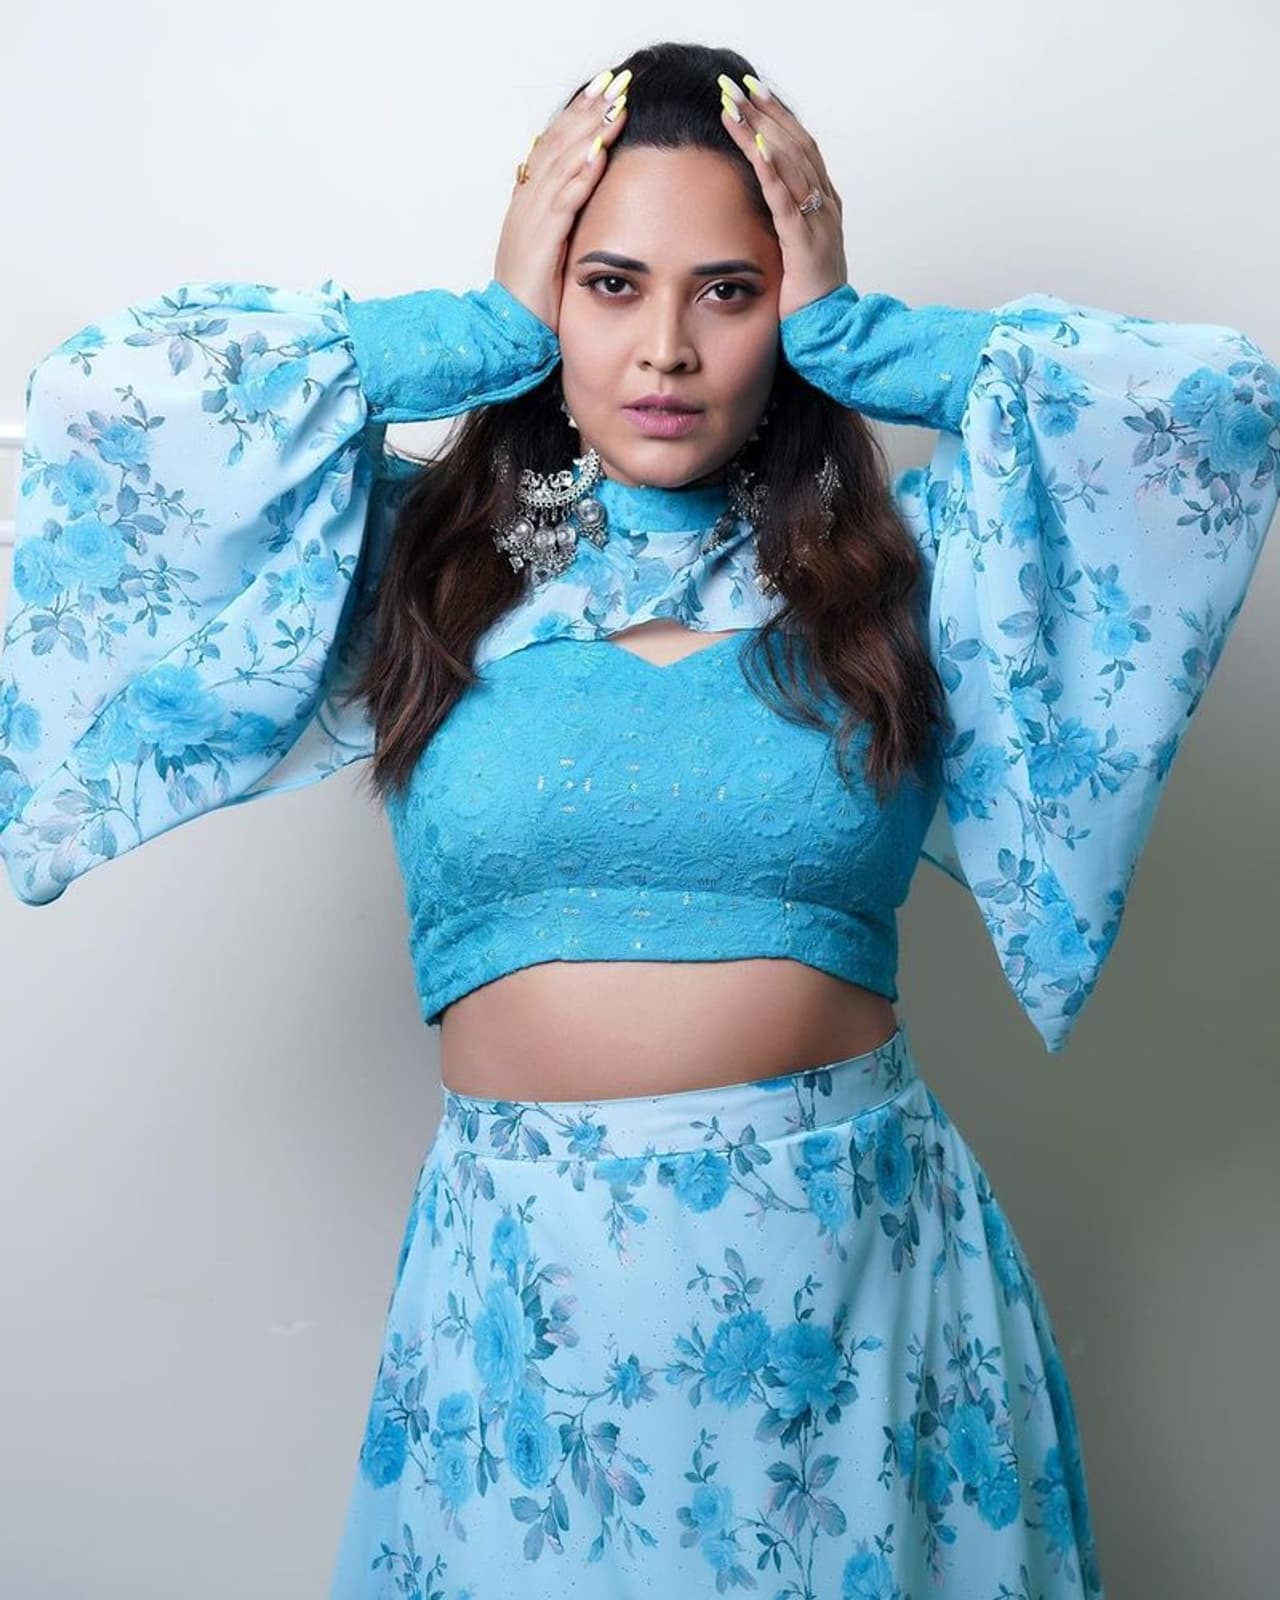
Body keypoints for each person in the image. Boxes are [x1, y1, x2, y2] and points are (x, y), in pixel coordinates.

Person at [1, 37, 1275, 1600]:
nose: (666, 348)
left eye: (729, 291)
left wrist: (869, 342)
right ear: (551, 287)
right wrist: (466, 332)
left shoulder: (907, 571)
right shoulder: (421, 564)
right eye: (609, 285)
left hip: (855, 1309)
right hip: (527, 1330)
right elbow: (99, 406)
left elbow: (1214, 410)